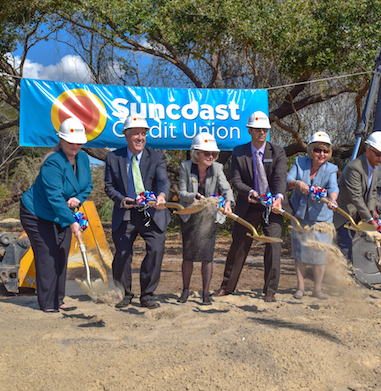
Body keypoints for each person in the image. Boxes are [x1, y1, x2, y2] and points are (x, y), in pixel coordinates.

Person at [20, 118, 93, 313]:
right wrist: (71, 222)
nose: (75, 145)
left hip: (62, 212)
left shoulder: (83, 158)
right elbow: (54, 197)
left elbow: (88, 186)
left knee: (61, 254)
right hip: (37, 213)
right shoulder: (52, 163)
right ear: (61, 140)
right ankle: (48, 304)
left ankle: (59, 299)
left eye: (78, 141)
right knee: (48, 255)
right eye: (70, 141)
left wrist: (78, 199)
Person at [213, 111, 287, 302]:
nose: (262, 132)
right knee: (239, 245)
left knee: (273, 246)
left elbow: (280, 179)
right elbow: (236, 180)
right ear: (250, 131)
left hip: (272, 207)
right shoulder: (239, 152)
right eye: (258, 129)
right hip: (249, 205)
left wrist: (278, 198)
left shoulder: (277, 151)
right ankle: (227, 287)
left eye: (265, 129)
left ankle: (270, 291)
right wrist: (250, 193)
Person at [104, 114, 171, 309]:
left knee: (156, 251)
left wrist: (161, 197)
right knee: (123, 254)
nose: (140, 138)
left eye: (143, 134)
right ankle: (124, 293)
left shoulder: (157, 157)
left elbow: (163, 181)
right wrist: (121, 200)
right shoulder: (113, 157)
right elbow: (108, 186)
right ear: (126, 136)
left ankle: (147, 294)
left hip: (152, 213)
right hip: (126, 212)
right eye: (135, 134)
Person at [177, 133, 234, 305]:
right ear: (197, 153)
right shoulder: (185, 167)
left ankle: (205, 293)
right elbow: (181, 192)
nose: (211, 157)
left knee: (207, 256)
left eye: (214, 154)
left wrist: (228, 202)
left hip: (209, 218)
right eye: (207, 153)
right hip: (190, 217)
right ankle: (185, 290)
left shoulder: (217, 168)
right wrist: (193, 196)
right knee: (188, 256)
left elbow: (226, 189)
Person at [287, 131, 339, 300]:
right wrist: (298, 183)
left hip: (321, 218)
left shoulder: (331, 169)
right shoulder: (299, 162)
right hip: (300, 216)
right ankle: (300, 288)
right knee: (300, 252)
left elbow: (333, 188)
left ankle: (317, 289)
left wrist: (332, 200)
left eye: (325, 151)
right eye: (318, 150)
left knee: (320, 254)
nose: (321, 154)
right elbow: (288, 180)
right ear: (311, 150)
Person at [334, 131, 381, 261]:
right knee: (345, 246)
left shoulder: (374, 167)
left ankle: (347, 274)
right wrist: (370, 219)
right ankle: (343, 277)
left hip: (356, 213)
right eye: (378, 154)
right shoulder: (354, 167)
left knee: (349, 244)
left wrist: (371, 209)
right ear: (368, 150)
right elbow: (356, 197)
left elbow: (372, 191)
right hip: (343, 213)